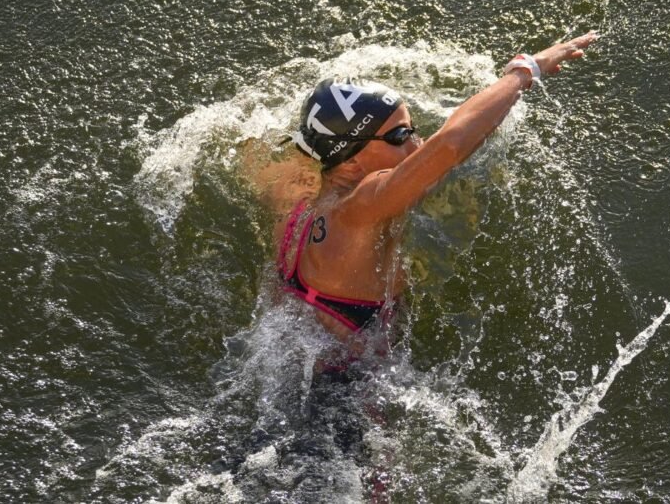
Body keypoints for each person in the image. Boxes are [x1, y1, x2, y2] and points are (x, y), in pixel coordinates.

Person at [254, 33, 598, 352]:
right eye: (400, 137)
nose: (418, 143)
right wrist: (525, 70)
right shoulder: (361, 206)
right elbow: (448, 146)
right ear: (351, 165)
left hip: (296, 349)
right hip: (340, 389)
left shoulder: (297, 190)